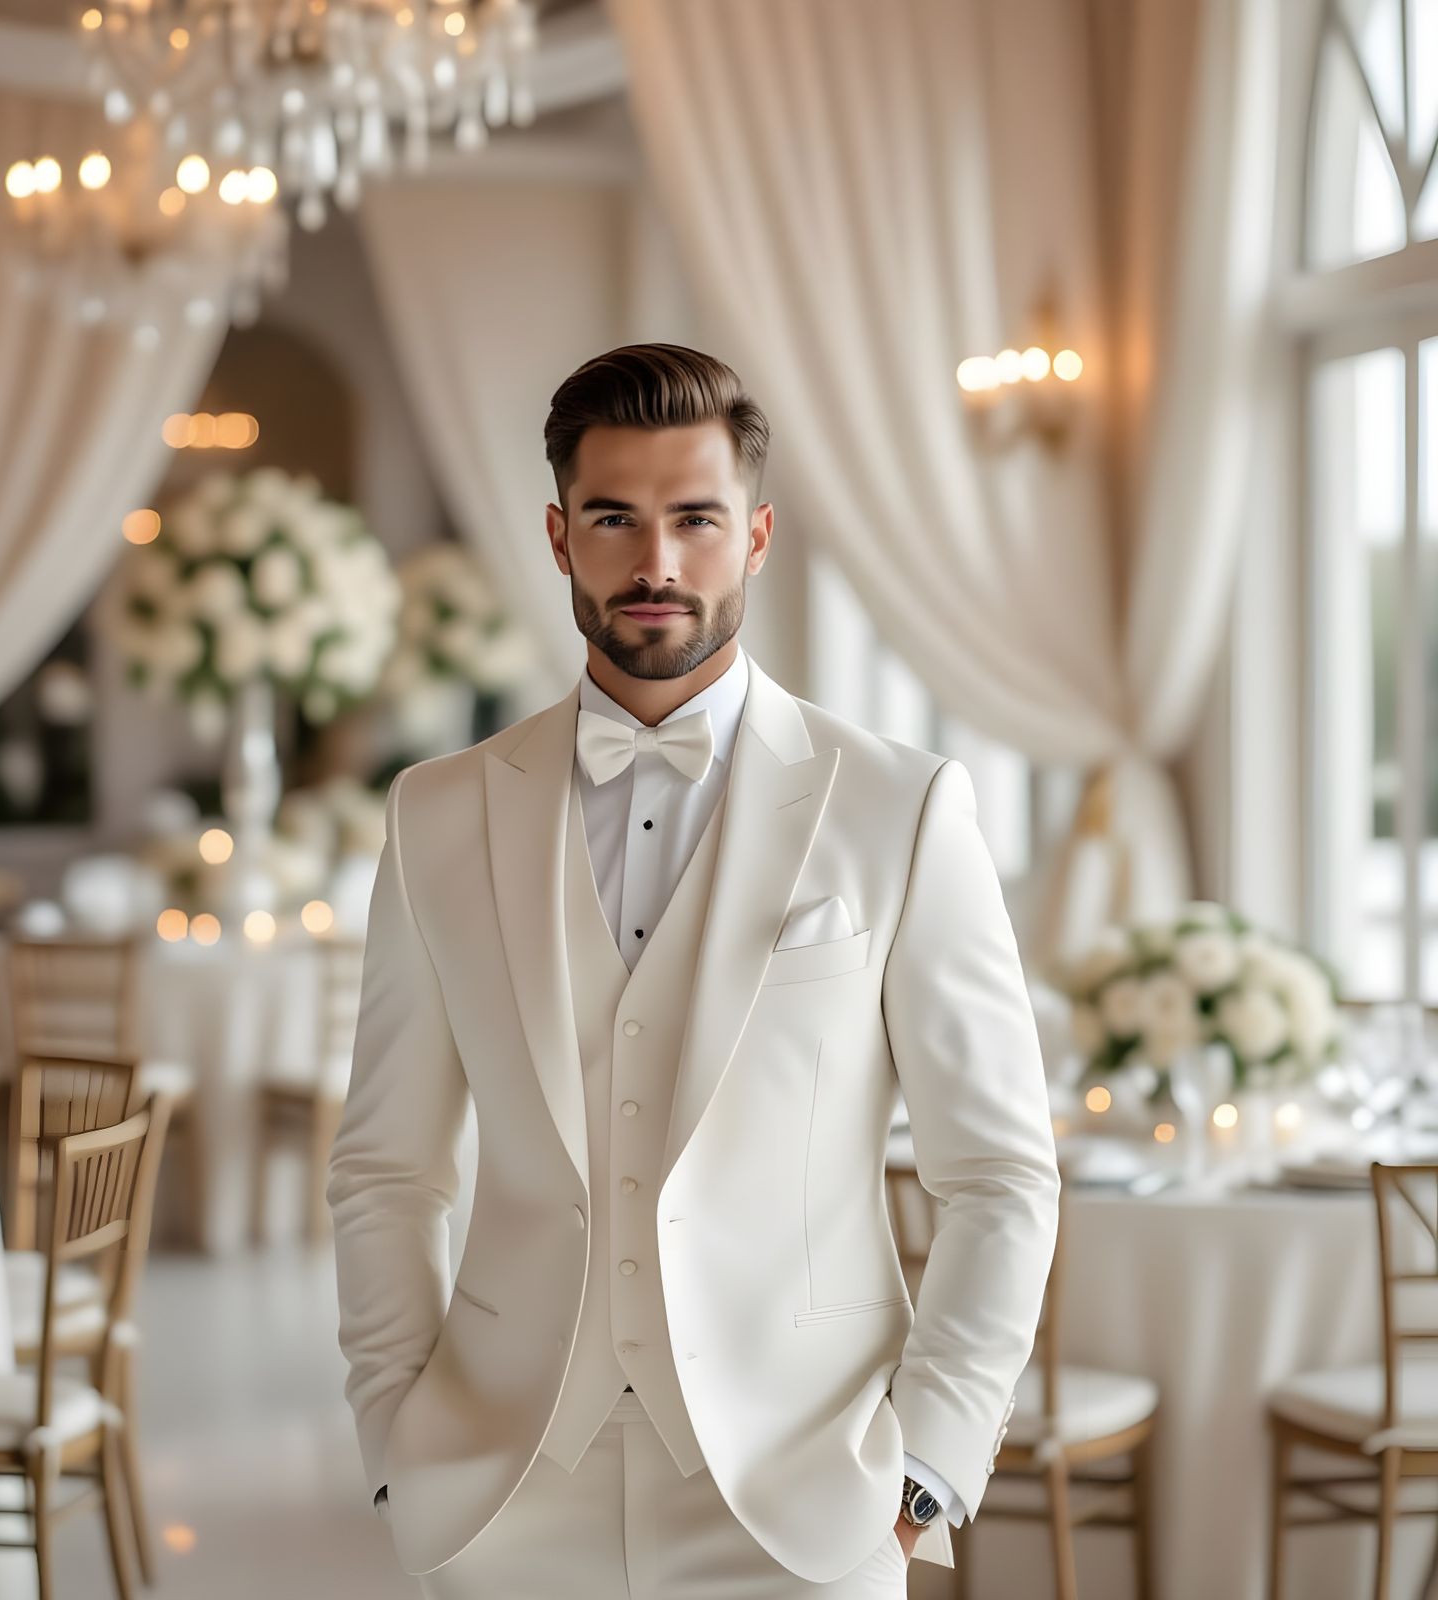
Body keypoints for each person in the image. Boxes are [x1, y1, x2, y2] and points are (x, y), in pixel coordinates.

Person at [328, 343, 1060, 1597]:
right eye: (614, 517)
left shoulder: (898, 807)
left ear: (756, 535)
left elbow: (998, 1172)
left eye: (696, 519)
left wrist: (924, 1471)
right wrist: (394, 1433)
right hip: (503, 1492)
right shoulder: (436, 812)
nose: (655, 562)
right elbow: (387, 1168)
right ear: (559, 536)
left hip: (805, 1499)